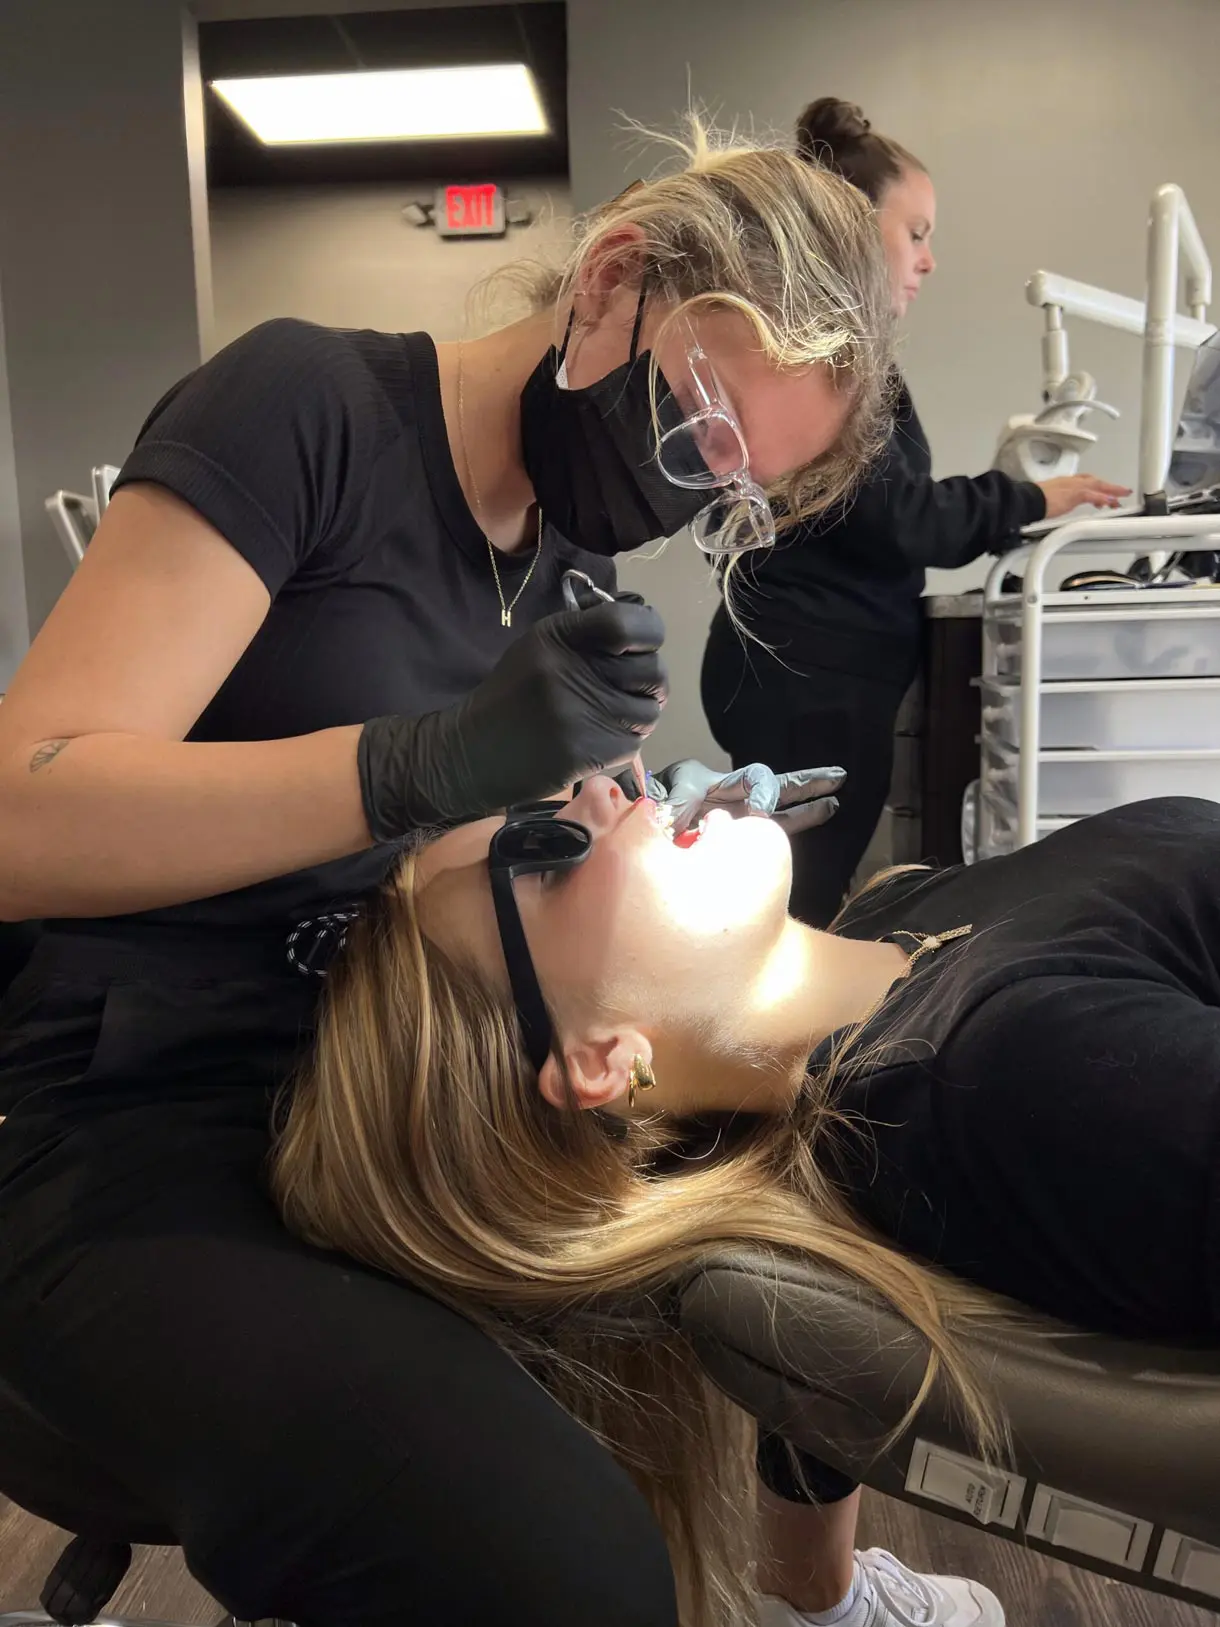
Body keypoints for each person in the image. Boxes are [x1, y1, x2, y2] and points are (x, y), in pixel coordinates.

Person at [0, 123, 898, 1627]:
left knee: (842, 1158)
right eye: (699, 429)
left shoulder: (570, 579)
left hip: (396, 1100)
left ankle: (821, 1594)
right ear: (612, 280)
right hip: (128, 1119)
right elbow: (21, 817)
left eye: (729, 493)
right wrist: (416, 762)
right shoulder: (309, 408)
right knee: (551, 1562)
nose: (685, 499)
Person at [271, 781, 1220, 1627]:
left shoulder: (885, 936)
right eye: (543, 856)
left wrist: (816, 1585)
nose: (602, 791)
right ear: (604, 1060)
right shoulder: (1023, 1081)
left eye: (541, 804)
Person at [701, 97, 1131, 927]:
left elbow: (876, 507)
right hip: (809, 681)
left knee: (789, 901)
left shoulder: (829, 345)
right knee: (792, 910)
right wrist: (1030, 497)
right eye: (918, 231)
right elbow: (900, 517)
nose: (929, 259)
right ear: (858, 229)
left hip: (798, 670)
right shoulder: (831, 351)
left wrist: (1004, 485)